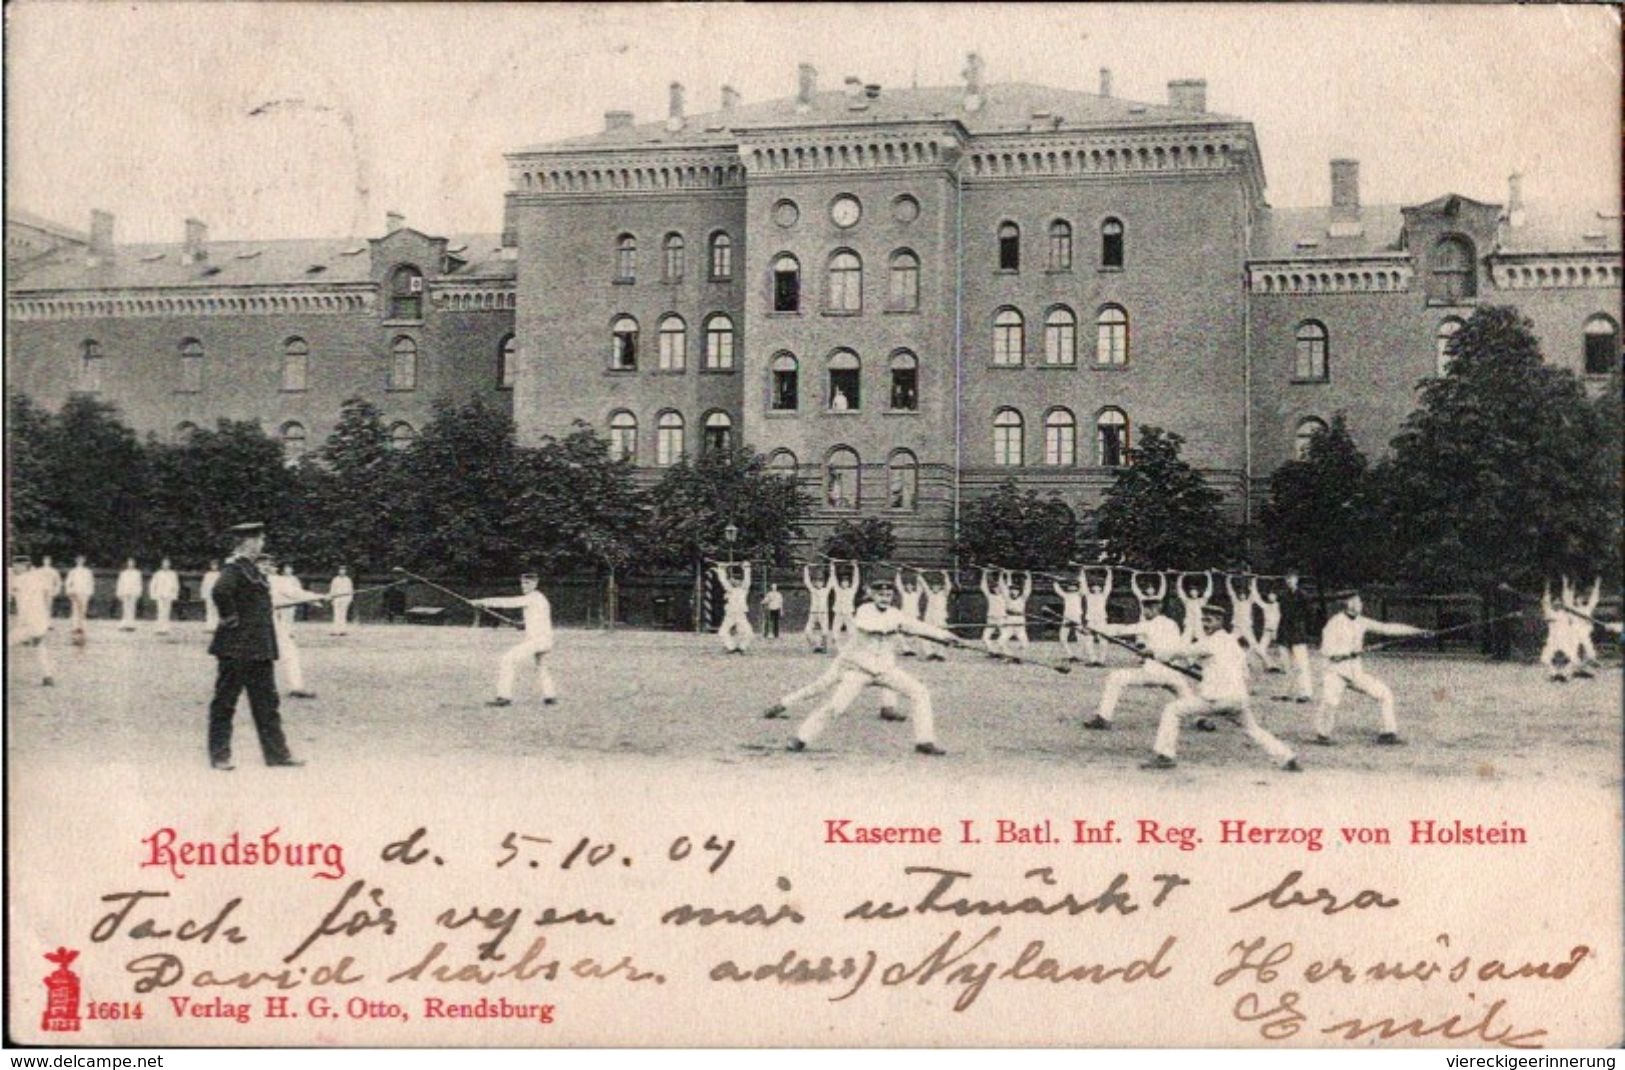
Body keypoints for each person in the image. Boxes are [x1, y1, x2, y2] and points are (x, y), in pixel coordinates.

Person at [782, 579, 958, 756]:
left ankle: (924, 741)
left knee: (920, 693)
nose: (885, 598)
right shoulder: (864, 610)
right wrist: (898, 628)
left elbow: (918, 626)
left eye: (888, 595)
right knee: (836, 707)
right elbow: (871, 626)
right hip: (859, 670)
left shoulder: (896, 614)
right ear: (872, 595)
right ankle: (801, 738)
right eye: (881, 595)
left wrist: (945, 636)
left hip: (885, 671)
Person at [1143, 605, 1300, 772]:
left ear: (1220, 621)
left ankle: (1165, 755)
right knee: (1252, 729)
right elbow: (1240, 671)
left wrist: (1153, 652)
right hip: (1238, 698)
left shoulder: (1212, 642)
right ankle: (1287, 757)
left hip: (1217, 699)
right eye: (1203, 620)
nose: (1205, 624)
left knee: (1173, 710)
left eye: (1209, 620)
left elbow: (1182, 651)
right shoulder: (1232, 641)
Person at [207, 522, 301, 770]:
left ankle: (277, 755)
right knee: (225, 703)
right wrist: (230, 618)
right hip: (236, 648)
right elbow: (220, 592)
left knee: (267, 705)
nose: (262, 544)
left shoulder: (253, 570)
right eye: (259, 540)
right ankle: (219, 756)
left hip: (258, 649)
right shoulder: (236, 568)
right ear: (247, 542)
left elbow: (251, 601)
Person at [1314, 592, 1424, 746]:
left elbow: (1387, 628)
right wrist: (1347, 653)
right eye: (1358, 602)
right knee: (1330, 702)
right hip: (1336, 672)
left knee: (1384, 694)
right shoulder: (1334, 623)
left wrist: (1419, 632)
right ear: (1349, 604)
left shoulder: (1361, 621)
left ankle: (1388, 733)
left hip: (1355, 672)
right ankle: (1323, 735)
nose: (1361, 604)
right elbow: (1326, 651)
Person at [1084, 597, 1196, 730]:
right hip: (1172, 672)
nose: (1144, 614)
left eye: (1146, 611)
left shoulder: (1149, 624)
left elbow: (1122, 630)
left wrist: (1093, 629)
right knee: (1184, 693)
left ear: (1154, 609)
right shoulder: (1173, 624)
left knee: (1115, 677)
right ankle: (1200, 719)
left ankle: (1104, 718)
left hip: (1153, 672)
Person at [472, 572, 557, 708]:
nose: (524, 586)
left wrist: (482, 602)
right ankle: (550, 696)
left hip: (537, 640)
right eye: (522, 583)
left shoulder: (533, 598)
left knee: (507, 659)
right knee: (541, 666)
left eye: (528, 583)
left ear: (535, 584)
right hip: (544, 640)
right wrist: (521, 624)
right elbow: (536, 619)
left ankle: (504, 697)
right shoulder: (540, 598)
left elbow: (508, 602)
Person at [270, 562, 318, 698]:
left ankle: (296, 687)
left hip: (272, 621)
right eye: (261, 563)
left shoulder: (277, 581)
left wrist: (316, 597)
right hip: (251, 625)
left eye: (268, 564)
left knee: (289, 651)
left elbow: (296, 593)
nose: (267, 567)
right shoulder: (247, 579)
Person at [8, 556, 56, 686]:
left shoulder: (21, 579)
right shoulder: (37, 577)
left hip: (29, 623)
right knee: (39, 646)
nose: (14, 568)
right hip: (40, 621)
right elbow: (47, 593)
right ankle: (47, 676)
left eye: (16, 566)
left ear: (24, 566)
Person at [1274, 569, 1317, 703]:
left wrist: (1306, 628)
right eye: (1287, 579)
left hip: (1298, 632)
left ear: (1296, 580)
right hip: (1284, 631)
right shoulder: (1283, 595)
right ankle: (1286, 692)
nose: (1289, 581)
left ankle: (1306, 693)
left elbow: (1311, 613)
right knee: (1286, 663)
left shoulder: (1303, 595)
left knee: (1301, 664)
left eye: (1291, 579)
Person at [713, 561, 753, 654]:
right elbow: (723, 580)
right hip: (730, 614)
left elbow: (747, 580)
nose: (735, 581)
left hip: (740, 614)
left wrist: (746, 568)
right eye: (733, 580)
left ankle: (742, 647)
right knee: (722, 632)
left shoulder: (744, 590)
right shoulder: (729, 590)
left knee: (749, 633)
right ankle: (731, 647)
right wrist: (721, 569)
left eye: (737, 580)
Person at [1081, 566, 1114, 666]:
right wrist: (1083, 571)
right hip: (1091, 620)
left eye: (1098, 586)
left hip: (1101, 620)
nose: (1096, 587)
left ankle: (1101, 660)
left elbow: (1109, 585)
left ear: (1101, 587)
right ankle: (1093, 660)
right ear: (1092, 588)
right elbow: (1083, 584)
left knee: (1103, 640)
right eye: (1094, 586)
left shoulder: (1104, 595)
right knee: (1088, 640)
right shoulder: (1088, 595)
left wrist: (1108, 572)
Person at [920, 570, 954, 662]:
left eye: (937, 586)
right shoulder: (930, 594)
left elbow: (949, 586)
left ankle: (941, 654)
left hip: (940, 618)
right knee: (925, 636)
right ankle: (929, 653)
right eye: (934, 586)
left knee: (942, 636)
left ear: (940, 587)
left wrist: (945, 575)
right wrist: (920, 574)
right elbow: (924, 585)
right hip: (929, 618)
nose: (935, 588)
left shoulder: (943, 595)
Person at [999, 570, 1032, 656]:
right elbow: (1002, 587)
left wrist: (1028, 577)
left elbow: (1028, 588)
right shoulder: (1007, 598)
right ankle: (1009, 655)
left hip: (1020, 621)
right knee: (1000, 642)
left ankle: (1019, 656)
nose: (1014, 592)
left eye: (1016, 590)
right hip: (1009, 621)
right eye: (1012, 590)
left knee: (1025, 643)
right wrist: (1002, 574)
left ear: (1018, 591)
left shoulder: (1022, 598)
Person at [802, 564, 834, 652]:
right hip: (813, 613)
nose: (818, 583)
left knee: (825, 632)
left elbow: (832, 581)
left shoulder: (826, 590)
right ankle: (816, 645)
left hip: (823, 613)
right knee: (807, 631)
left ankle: (824, 647)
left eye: (820, 582)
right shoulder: (813, 590)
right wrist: (806, 568)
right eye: (817, 582)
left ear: (823, 583)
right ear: (815, 583)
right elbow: (807, 581)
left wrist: (832, 567)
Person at [1176, 570, 1214, 645]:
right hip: (1189, 622)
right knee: (1184, 640)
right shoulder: (1187, 601)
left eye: (1195, 591)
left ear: (1198, 592)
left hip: (1199, 623)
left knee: (1203, 640)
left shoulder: (1202, 601)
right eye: (1191, 591)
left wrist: (1208, 577)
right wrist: (1181, 577)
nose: (1193, 593)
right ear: (1189, 593)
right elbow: (1179, 590)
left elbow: (1209, 590)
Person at [895, 569, 926, 657]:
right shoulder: (904, 594)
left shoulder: (916, 594)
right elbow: (898, 584)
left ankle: (913, 650)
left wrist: (919, 575)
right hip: (904, 615)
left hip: (914, 615)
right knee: (901, 633)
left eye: (911, 586)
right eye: (907, 586)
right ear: (905, 587)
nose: (909, 587)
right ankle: (906, 649)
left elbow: (921, 587)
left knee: (915, 633)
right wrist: (898, 573)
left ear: (913, 587)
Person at [1054, 574, 1084, 661]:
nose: (1072, 588)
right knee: (1063, 638)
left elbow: (1082, 585)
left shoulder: (1079, 594)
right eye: (1070, 587)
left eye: (1074, 586)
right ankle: (1070, 655)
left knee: (1081, 638)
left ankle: (1078, 656)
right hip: (1066, 618)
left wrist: (1080, 577)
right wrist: (1056, 580)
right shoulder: (1065, 595)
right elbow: (1057, 589)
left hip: (1077, 618)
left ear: (1076, 588)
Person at [65, 555, 95, 640]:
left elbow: (91, 582)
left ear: (84, 561)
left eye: (81, 560)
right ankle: (75, 627)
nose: (80, 562)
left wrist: (90, 592)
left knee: (83, 610)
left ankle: (82, 627)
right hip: (75, 592)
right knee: (75, 609)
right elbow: (68, 582)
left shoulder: (88, 572)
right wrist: (69, 592)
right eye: (78, 560)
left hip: (84, 593)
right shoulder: (73, 571)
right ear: (76, 561)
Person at [830, 561, 860, 645]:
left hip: (848, 611)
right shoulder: (838, 590)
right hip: (839, 611)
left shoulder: (851, 590)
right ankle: (835, 639)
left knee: (851, 628)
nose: (844, 583)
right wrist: (832, 566)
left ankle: (853, 642)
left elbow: (856, 581)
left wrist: (855, 567)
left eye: (846, 582)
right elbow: (833, 579)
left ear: (848, 583)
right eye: (843, 582)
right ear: (841, 583)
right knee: (836, 627)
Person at [980, 567, 1007, 655]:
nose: (997, 589)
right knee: (985, 638)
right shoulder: (990, 596)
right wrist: (985, 574)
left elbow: (1003, 585)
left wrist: (1001, 574)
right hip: (991, 619)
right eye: (995, 588)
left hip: (1001, 619)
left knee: (1003, 638)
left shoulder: (1004, 596)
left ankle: (1007, 653)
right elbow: (983, 587)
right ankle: (992, 652)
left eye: (998, 587)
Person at [150, 558, 180, 634]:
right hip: (160, 594)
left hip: (168, 595)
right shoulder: (158, 573)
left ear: (169, 564)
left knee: (167, 611)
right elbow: (153, 584)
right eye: (164, 563)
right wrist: (153, 594)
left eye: (167, 563)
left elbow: (175, 585)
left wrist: (174, 595)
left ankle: (166, 628)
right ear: (162, 564)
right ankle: (159, 627)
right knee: (160, 610)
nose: (165, 565)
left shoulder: (172, 574)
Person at [115, 558, 143, 630]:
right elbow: (120, 583)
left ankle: (131, 624)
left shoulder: (137, 573)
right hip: (125, 592)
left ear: (134, 564)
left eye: (132, 563)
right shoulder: (123, 573)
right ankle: (124, 624)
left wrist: (138, 593)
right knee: (125, 608)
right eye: (129, 563)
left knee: (132, 608)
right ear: (127, 564)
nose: (130, 564)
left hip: (133, 592)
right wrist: (119, 593)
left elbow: (139, 584)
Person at [329, 566, 355, 635]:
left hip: (345, 599)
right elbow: (332, 590)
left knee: (343, 615)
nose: (342, 571)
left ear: (345, 571)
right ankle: (335, 630)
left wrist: (350, 599)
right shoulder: (335, 579)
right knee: (336, 614)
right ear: (338, 571)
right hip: (337, 599)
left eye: (343, 570)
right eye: (340, 570)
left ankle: (343, 630)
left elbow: (350, 590)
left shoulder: (348, 580)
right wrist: (332, 598)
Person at [200, 560, 222, 630]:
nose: (214, 567)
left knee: (217, 611)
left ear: (217, 566)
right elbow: (204, 585)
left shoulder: (220, 574)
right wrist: (203, 594)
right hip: (209, 594)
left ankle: (216, 626)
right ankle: (209, 626)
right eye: (212, 565)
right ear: (210, 566)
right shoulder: (207, 574)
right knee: (209, 610)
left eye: (215, 565)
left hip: (217, 594)